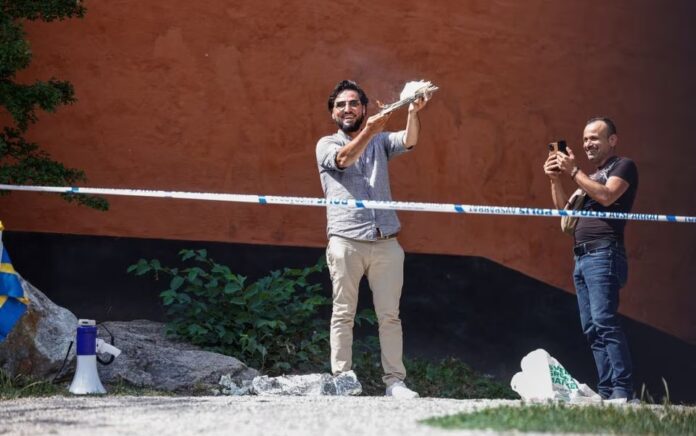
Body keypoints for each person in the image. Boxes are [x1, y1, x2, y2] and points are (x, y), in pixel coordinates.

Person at [315, 80, 430, 398]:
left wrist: (412, 110)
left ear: (364, 109)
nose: (347, 109)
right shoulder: (325, 144)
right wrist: (372, 129)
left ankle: (395, 382)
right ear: (333, 113)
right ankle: (344, 378)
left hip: (386, 241)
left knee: (390, 316)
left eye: (353, 103)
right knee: (343, 313)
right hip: (346, 240)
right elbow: (344, 159)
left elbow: (409, 140)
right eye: (340, 105)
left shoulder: (380, 141)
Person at [543, 117, 638, 402]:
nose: (588, 144)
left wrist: (574, 172)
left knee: (605, 322)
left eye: (595, 138)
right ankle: (608, 391)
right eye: (585, 139)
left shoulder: (623, 166)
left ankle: (623, 391)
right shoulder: (589, 176)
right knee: (592, 328)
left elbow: (607, 196)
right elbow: (564, 213)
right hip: (582, 258)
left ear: (612, 140)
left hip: (604, 253)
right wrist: (555, 179)